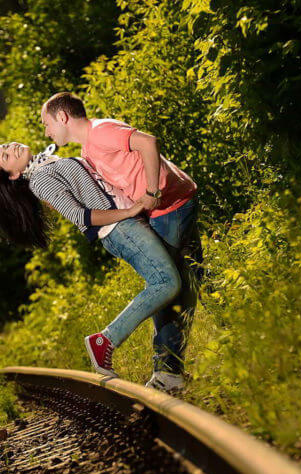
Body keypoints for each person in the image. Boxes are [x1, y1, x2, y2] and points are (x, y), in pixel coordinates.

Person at [0, 142, 183, 387]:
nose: (11, 147)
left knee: (166, 285)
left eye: (6, 145)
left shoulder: (45, 163)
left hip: (126, 225)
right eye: (5, 155)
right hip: (119, 230)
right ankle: (105, 341)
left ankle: (168, 371)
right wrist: (129, 212)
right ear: (13, 175)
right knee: (166, 283)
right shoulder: (40, 180)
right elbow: (81, 216)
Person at [40, 92, 203, 392]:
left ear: (62, 117)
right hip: (170, 207)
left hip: (171, 203)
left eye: (47, 124)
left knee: (179, 285)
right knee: (174, 285)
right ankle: (168, 372)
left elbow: (148, 142)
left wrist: (152, 192)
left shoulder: (101, 131)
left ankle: (168, 372)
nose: (47, 132)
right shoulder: (89, 149)